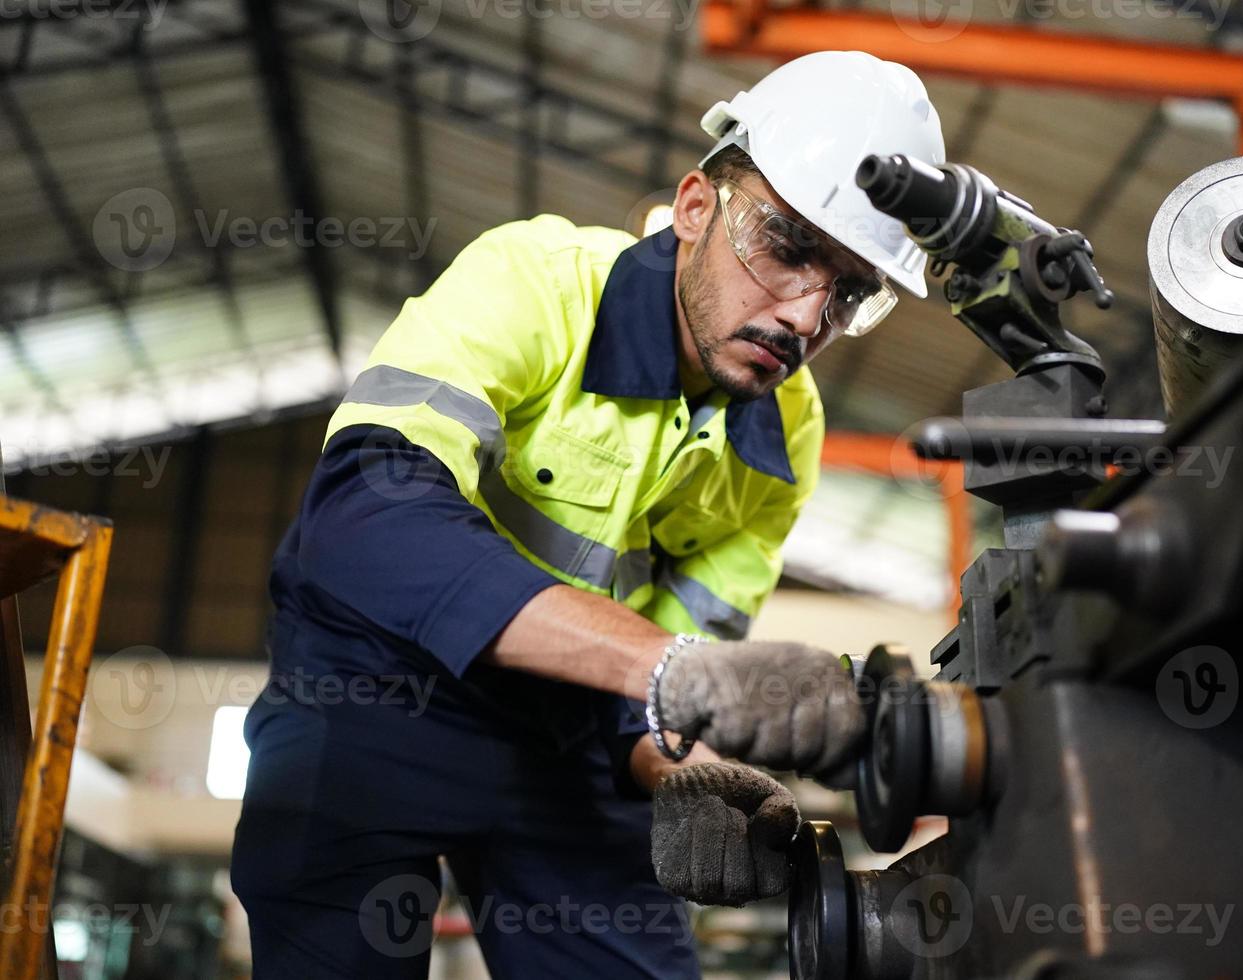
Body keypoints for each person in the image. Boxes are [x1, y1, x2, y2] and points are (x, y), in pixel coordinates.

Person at [230, 49, 946, 978]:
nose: (807, 315)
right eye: (788, 247)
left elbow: (651, 703)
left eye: (850, 290)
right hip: (372, 697)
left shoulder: (789, 434)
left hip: (562, 748)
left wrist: (677, 771)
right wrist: (676, 671)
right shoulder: (535, 283)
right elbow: (363, 519)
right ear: (696, 208)